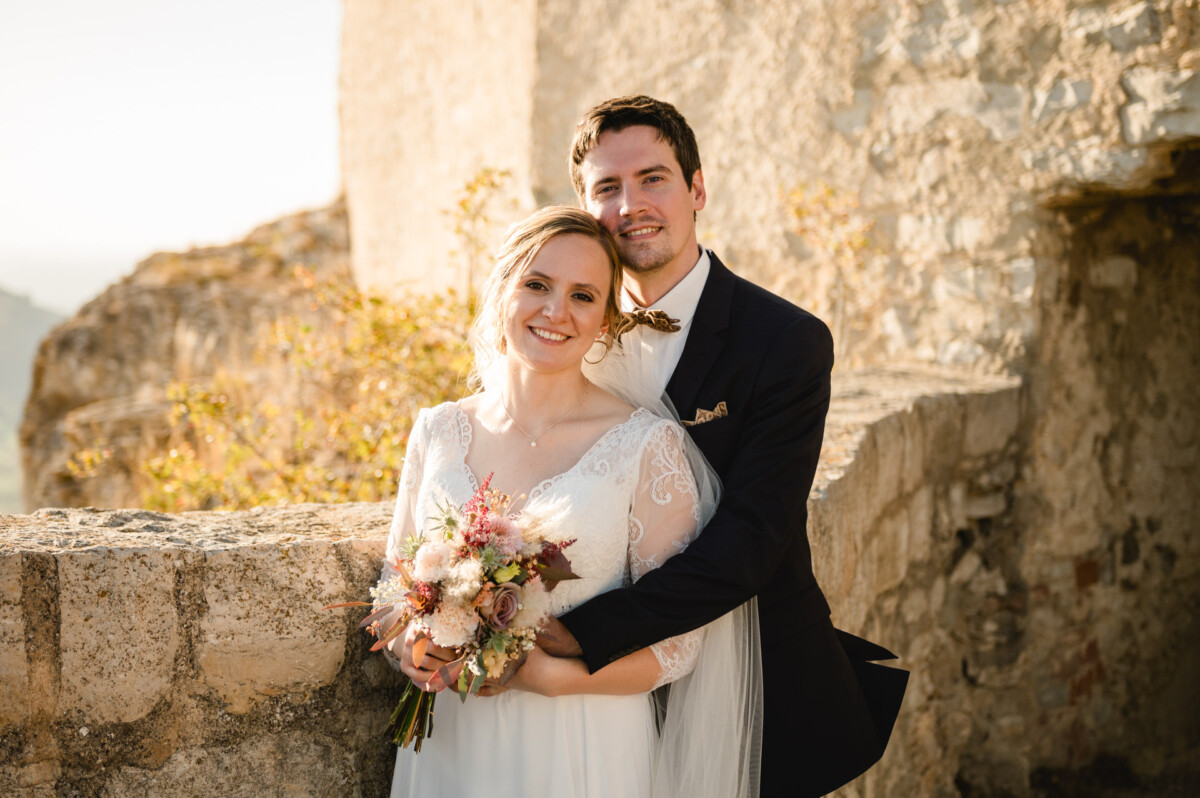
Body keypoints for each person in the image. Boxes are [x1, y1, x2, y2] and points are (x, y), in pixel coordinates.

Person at [400, 95, 907, 797]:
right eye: (608, 187)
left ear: (697, 189)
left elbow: (755, 535)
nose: (631, 204)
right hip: (550, 720)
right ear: (584, 203)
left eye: (654, 179)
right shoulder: (571, 329)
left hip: (750, 681)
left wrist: (576, 642)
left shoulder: (783, 342)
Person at [381, 205, 762, 797]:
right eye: (537, 284)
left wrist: (556, 680)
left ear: (607, 322)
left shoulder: (645, 446)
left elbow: (680, 645)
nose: (556, 311)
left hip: (584, 744)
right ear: (503, 287)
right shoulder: (437, 430)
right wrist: (410, 648)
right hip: (452, 739)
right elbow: (391, 590)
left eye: (583, 296)